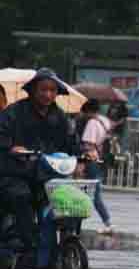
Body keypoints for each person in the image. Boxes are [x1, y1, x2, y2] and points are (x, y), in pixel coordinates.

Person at [0, 68, 80, 251]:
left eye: (52, 90)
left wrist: (86, 152)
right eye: (43, 89)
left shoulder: (60, 116)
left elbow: (72, 141)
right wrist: (11, 146)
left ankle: (63, 243)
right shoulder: (14, 112)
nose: (48, 94)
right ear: (33, 90)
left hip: (46, 174)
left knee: (67, 200)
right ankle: (30, 243)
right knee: (21, 196)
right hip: (14, 173)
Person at [80, 100, 115, 234]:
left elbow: (88, 145)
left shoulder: (92, 123)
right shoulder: (104, 120)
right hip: (102, 159)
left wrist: (82, 163)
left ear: (88, 111)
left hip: (92, 160)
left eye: (84, 112)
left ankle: (108, 223)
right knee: (90, 192)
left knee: (93, 194)